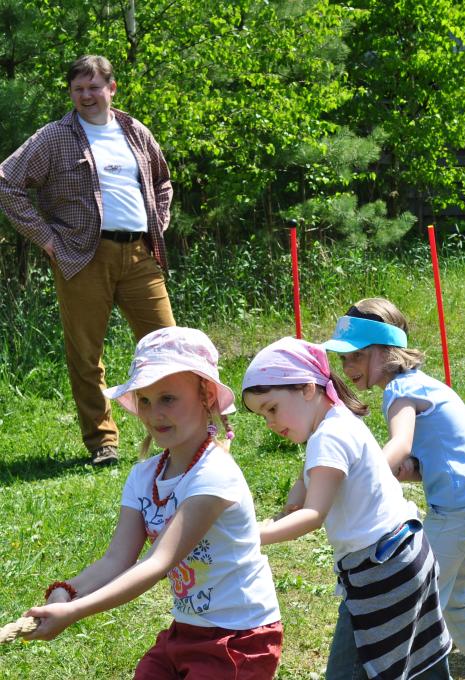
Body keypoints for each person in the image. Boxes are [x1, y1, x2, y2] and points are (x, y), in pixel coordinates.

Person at [23, 327, 282, 679]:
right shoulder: (143, 476)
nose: (153, 412)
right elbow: (117, 558)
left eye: (167, 399)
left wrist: (75, 612)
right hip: (186, 630)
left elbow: (158, 562)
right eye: (144, 400)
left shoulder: (215, 474)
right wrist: (66, 591)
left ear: (206, 396)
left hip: (238, 638)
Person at [324, 298, 465, 680]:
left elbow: (400, 443)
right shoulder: (422, 385)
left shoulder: (399, 391)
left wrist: (360, 475)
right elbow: (434, 456)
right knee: (457, 599)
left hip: (458, 511)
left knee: (413, 596)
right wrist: (411, 470)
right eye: (342, 360)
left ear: (383, 351)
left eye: (355, 356)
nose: (347, 368)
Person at [0, 55, 175, 466]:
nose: (86, 96)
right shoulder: (54, 137)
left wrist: (157, 224)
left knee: (167, 344)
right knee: (86, 356)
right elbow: (7, 182)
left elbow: (162, 181)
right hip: (82, 256)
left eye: (94, 87)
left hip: (139, 254)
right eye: (78, 89)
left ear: (111, 88)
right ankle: (103, 443)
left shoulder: (134, 131)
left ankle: (180, 428)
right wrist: (47, 239)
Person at [242, 337, 450, 680]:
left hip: (381, 571)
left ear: (307, 389)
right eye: (263, 415)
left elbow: (312, 515)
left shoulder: (328, 437)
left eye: (272, 408)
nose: (270, 423)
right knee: (423, 664)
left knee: (351, 671)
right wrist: (288, 506)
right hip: (407, 552)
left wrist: (250, 537)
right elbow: (305, 493)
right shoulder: (338, 419)